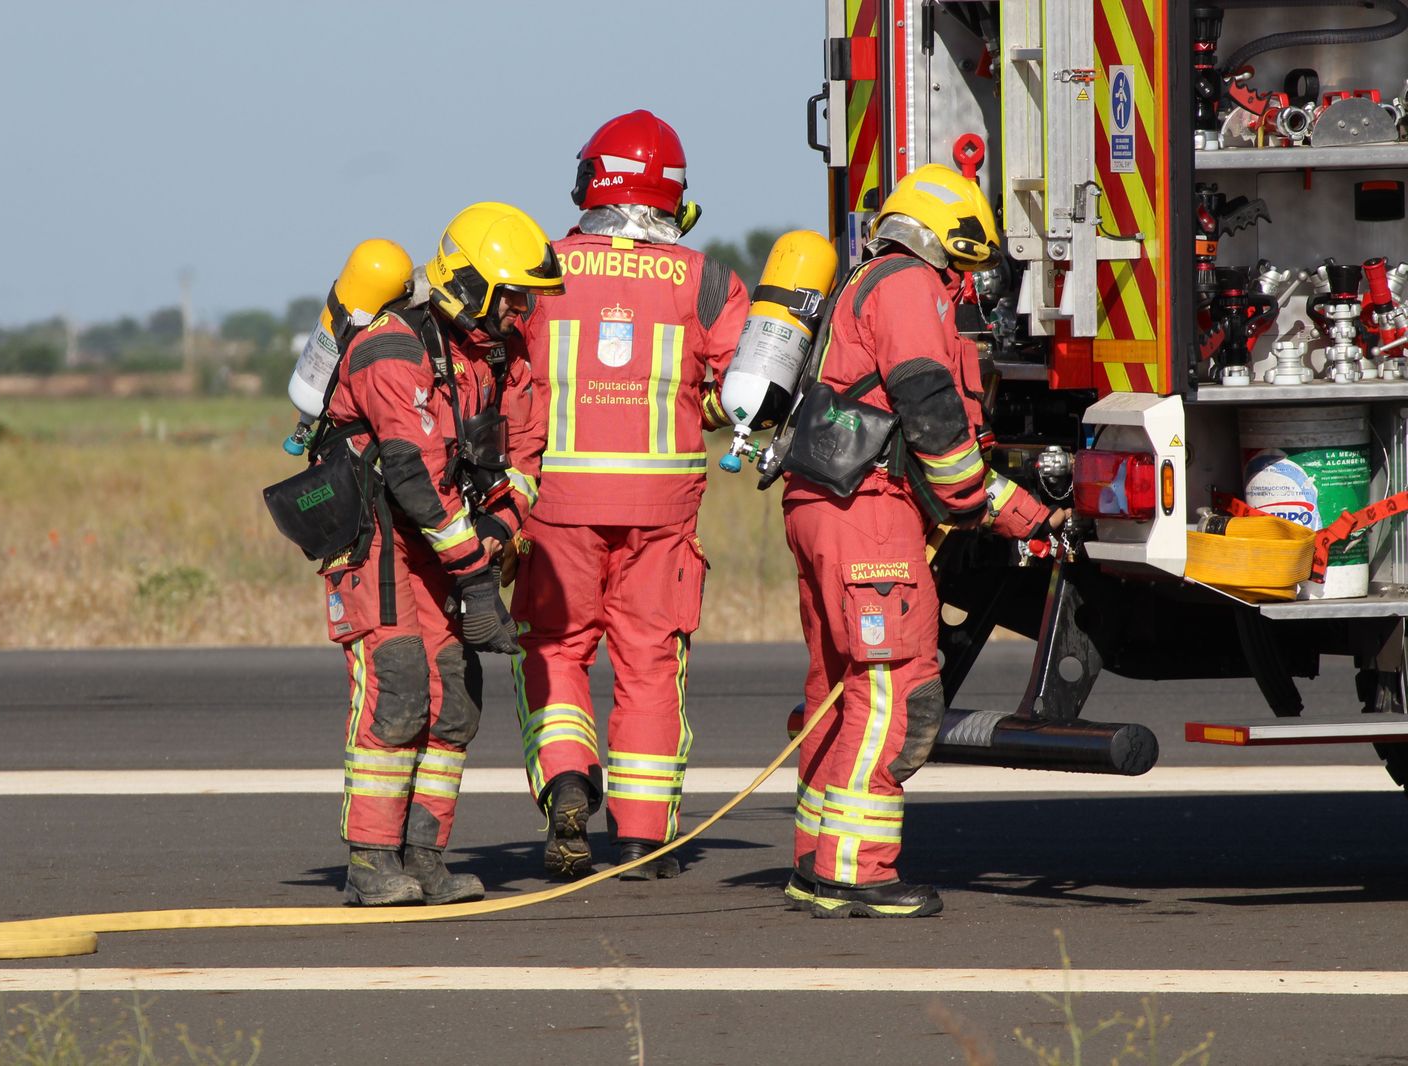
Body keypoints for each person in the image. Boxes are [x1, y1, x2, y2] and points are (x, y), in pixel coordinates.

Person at [780, 164, 1065, 918]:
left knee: (839, 690)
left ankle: (816, 860)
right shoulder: (908, 284)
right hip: (868, 512)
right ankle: (858, 872)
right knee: (898, 691)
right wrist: (975, 498)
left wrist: (1026, 516)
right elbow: (931, 408)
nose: (965, 286)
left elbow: (926, 447)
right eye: (965, 266)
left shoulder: (861, 280)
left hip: (828, 503)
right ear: (949, 238)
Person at [510, 110, 751, 880]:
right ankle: (644, 840)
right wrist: (694, 409)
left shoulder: (539, 265)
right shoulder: (707, 279)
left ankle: (569, 782)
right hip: (662, 512)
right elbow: (742, 393)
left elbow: (503, 377)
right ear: (672, 196)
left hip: (556, 506)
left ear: (591, 182)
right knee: (651, 665)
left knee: (555, 651)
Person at [322, 202, 560, 905]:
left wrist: (503, 529)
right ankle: (371, 861)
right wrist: (479, 582)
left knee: (454, 697)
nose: (522, 311)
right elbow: (416, 479)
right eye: (512, 295)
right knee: (398, 689)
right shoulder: (391, 350)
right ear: (471, 285)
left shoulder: (493, 355)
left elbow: (525, 457)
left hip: (446, 548)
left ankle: (424, 855)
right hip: (383, 547)